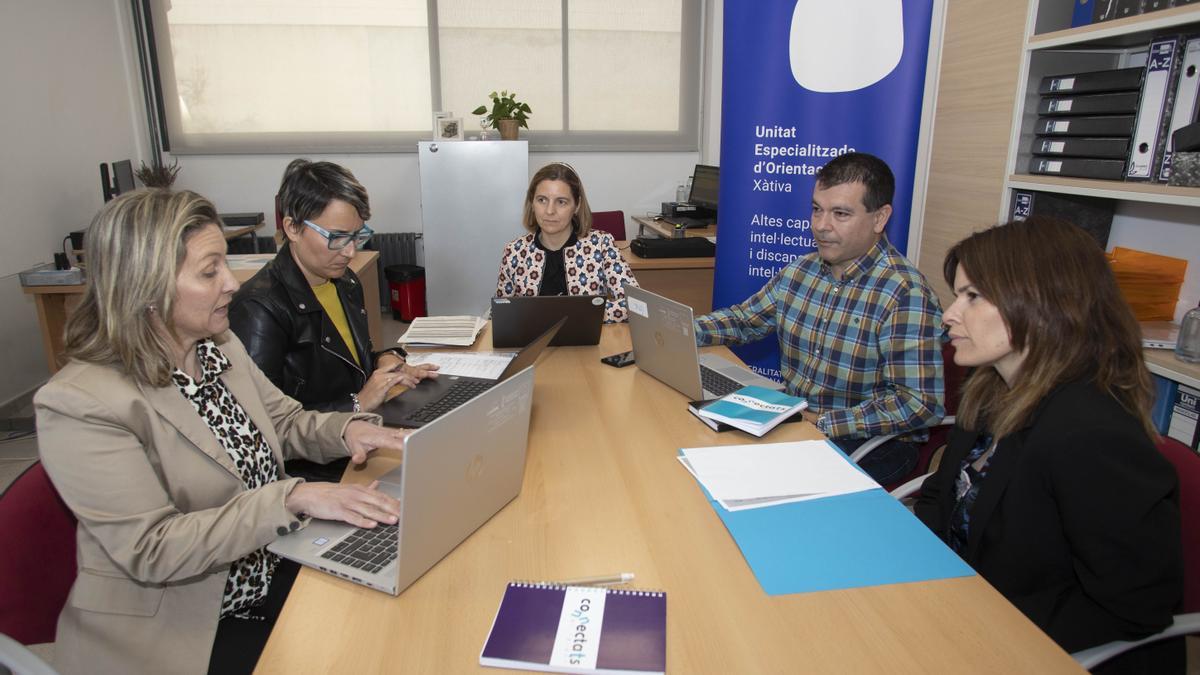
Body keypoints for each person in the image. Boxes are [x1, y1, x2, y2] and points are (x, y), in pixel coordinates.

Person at [35, 189, 409, 675]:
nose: (232, 284)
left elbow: (286, 422)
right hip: (187, 625)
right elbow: (154, 548)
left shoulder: (218, 344)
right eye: (210, 272)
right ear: (146, 287)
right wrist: (292, 498)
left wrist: (359, 431)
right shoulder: (80, 403)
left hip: (272, 564)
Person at [915, 217, 1183, 674]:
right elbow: (943, 495)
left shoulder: (1090, 432)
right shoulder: (991, 388)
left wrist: (975, 620)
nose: (949, 314)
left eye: (972, 296)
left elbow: (1135, 606)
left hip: (1035, 645)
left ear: (1041, 304)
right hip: (956, 607)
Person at [694, 152, 944, 484]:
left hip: (869, 441)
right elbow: (744, 320)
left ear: (880, 217)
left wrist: (823, 421)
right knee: (702, 448)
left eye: (840, 214)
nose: (821, 226)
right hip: (798, 417)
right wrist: (682, 329)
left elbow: (919, 403)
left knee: (748, 482)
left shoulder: (904, 293)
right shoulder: (802, 270)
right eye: (816, 209)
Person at [230, 160, 436, 481]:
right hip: (314, 470)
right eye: (337, 237)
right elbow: (261, 427)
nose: (350, 251)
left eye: (357, 236)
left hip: (360, 435)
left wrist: (385, 361)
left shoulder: (343, 281)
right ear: (292, 228)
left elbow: (347, 358)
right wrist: (357, 402)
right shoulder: (259, 309)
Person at [495, 162, 639, 323]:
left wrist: (581, 314)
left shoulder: (601, 245)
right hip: (532, 346)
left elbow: (635, 304)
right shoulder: (514, 251)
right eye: (542, 200)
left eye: (561, 202)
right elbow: (501, 313)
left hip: (588, 346)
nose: (549, 211)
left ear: (576, 205)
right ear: (532, 203)